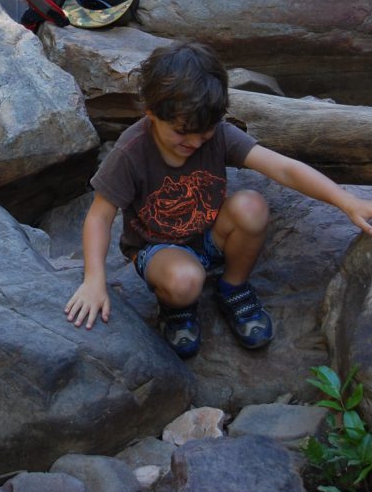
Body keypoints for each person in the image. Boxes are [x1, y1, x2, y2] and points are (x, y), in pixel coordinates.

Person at [64, 41, 372, 358]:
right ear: (152, 113)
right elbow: (99, 217)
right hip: (158, 249)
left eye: (205, 131)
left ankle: (233, 287)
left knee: (251, 206)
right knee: (185, 281)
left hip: (210, 236)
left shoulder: (219, 134)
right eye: (183, 132)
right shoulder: (131, 152)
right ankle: (175, 306)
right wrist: (94, 280)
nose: (195, 142)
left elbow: (284, 169)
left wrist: (346, 201)